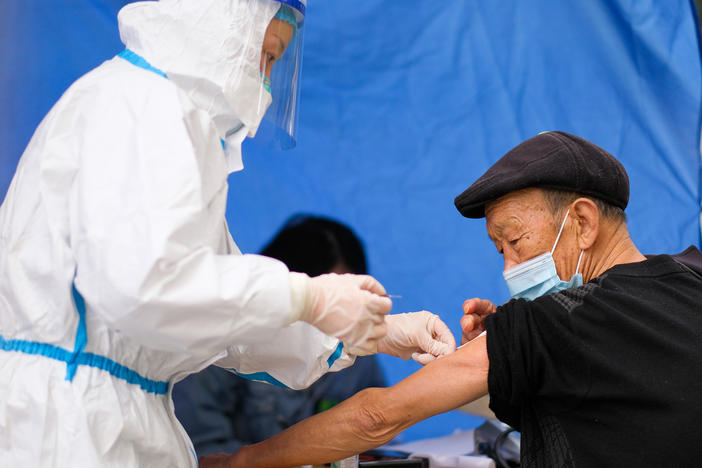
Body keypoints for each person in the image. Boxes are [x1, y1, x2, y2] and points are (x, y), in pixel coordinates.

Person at [0, 1, 456, 466]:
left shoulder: (167, 117)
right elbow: (146, 287)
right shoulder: (141, 106)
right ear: (219, 25)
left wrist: (370, 333)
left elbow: (224, 318)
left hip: (114, 421)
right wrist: (311, 298)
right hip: (71, 428)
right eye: (269, 57)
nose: (268, 88)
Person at [202, 131, 702, 468]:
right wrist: (505, 359)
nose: (509, 267)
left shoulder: (552, 323)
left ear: (583, 222)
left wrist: (238, 463)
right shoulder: (691, 274)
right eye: (498, 250)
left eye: (516, 241)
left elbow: (378, 417)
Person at [173, 215, 387, 457]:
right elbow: (201, 451)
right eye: (328, 299)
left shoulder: (357, 354)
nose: (340, 314)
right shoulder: (216, 349)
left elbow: (379, 445)